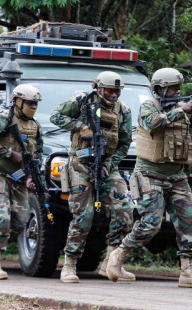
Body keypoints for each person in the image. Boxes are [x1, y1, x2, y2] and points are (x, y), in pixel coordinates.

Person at [105, 67, 192, 288]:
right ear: (159, 89)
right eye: (173, 88)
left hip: (177, 175)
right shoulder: (148, 106)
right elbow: (153, 124)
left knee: (189, 223)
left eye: (178, 88)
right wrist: (183, 109)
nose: (177, 92)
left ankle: (187, 272)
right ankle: (118, 255)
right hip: (149, 174)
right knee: (150, 224)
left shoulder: (182, 109)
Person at [49, 71, 134, 283]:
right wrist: (80, 126)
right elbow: (55, 116)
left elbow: (124, 143)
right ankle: (69, 265)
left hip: (106, 165)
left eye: (117, 91)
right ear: (98, 88)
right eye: (109, 90)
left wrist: (109, 165)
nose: (114, 95)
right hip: (80, 164)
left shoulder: (123, 110)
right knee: (83, 216)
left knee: (125, 209)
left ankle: (111, 263)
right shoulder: (82, 101)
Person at [0, 84, 43, 280]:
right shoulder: (4, 119)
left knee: (21, 222)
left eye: (35, 103)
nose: (33, 106)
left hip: (18, 177)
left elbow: (36, 154)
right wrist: (8, 153)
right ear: (18, 101)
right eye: (29, 103)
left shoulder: (35, 126)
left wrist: (31, 175)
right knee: (1, 216)